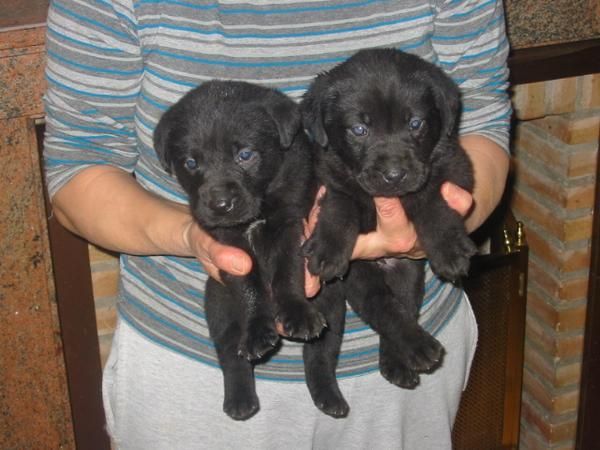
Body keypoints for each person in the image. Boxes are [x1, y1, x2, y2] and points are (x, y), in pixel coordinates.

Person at [43, 0, 511, 448]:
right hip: (190, 365)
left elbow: (483, 117)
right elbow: (77, 168)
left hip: (409, 350)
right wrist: (192, 237)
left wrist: (437, 226)